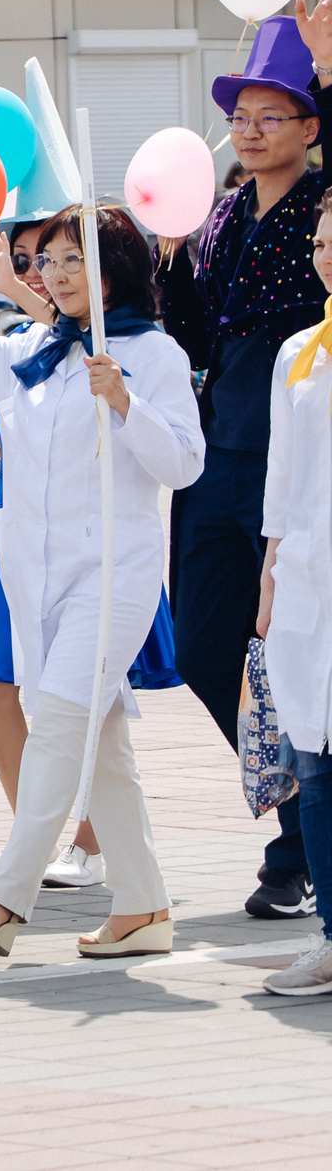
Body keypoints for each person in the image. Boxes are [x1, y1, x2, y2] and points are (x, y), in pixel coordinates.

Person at [0, 176, 203, 958]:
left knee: (61, 716)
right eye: (51, 260)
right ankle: (143, 907)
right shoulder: (29, 352)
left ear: (118, 269)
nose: (57, 275)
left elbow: (186, 463)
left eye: (76, 260)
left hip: (114, 577)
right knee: (100, 742)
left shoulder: (151, 354)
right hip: (37, 579)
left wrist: (126, 401)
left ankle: (7, 894)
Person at [157, 10, 330, 920]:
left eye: (275, 114)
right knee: (202, 643)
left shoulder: (323, 202)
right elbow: (186, 332)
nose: (252, 128)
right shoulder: (218, 213)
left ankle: (302, 842)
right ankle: (303, 798)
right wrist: (168, 261)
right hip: (216, 453)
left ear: (310, 126)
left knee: (291, 645)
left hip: (294, 458)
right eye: (242, 114)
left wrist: (329, 72)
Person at [257, 192, 332, 996]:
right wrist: (271, 572)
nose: (326, 254)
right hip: (309, 579)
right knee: (312, 761)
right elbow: (283, 473)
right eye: (320, 242)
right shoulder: (299, 352)